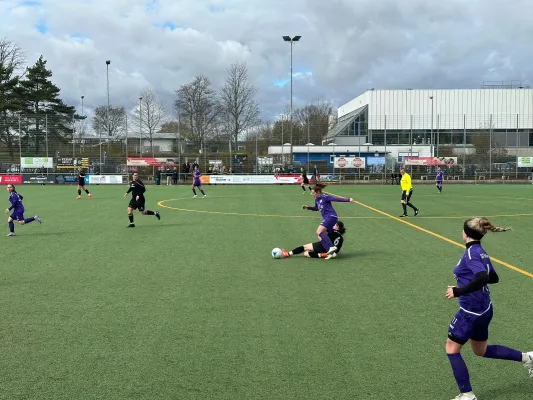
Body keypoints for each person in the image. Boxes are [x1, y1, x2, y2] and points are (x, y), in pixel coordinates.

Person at [445, 217, 533, 400]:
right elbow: (493, 277)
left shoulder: (471, 254)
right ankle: (528, 358)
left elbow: (484, 278)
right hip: (485, 309)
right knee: (480, 350)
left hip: (471, 312)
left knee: (452, 349)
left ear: (465, 234)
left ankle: (467, 395)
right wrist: (468, 280)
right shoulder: (480, 252)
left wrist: (458, 291)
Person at [302, 183, 353, 256]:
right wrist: (308, 208)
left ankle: (331, 247)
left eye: (313, 193)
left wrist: (348, 200)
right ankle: (330, 252)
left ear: (318, 192)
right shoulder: (317, 199)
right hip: (328, 218)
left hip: (331, 217)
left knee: (319, 231)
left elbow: (336, 199)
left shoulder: (325, 197)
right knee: (321, 235)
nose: (312, 194)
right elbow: (317, 208)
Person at [281, 221, 346, 260]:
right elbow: (338, 249)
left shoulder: (332, 231)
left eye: (334, 224)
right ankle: (321, 255)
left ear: (337, 227)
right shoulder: (341, 238)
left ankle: (287, 254)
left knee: (304, 247)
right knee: (306, 253)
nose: (333, 225)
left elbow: (323, 235)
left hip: (323, 247)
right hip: (332, 252)